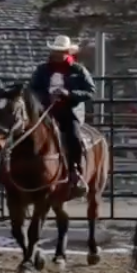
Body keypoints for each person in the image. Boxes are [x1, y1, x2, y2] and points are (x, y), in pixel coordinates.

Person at [27, 34, 96, 196]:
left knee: (73, 136)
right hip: (45, 111)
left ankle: (75, 170)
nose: (58, 54)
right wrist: (46, 97)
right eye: (56, 51)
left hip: (69, 111)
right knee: (23, 132)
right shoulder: (42, 70)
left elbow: (90, 91)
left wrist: (68, 94)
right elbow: (33, 89)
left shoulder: (78, 70)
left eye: (62, 51)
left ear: (68, 52)